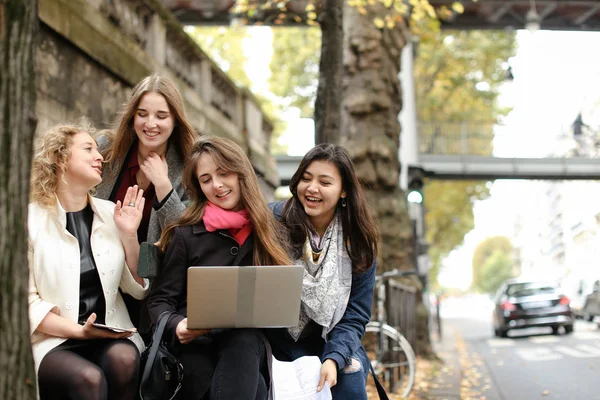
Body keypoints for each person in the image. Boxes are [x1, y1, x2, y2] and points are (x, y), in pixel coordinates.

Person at [147, 136, 292, 400]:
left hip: (247, 345)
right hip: (194, 347)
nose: (217, 185)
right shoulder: (185, 233)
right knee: (253, 388)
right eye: (206, 180)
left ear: (241, 173)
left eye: (224, 173)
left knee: (245, 341)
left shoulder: (268, 231)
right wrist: (177, 325)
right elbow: (160, 300)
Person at [28, 122, 149, 400]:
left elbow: (139, 288)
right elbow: (28, 303)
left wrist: (129, 235)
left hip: (111, 334)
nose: (100, 156)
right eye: (88, 149)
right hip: (54, 340)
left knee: (125, 360)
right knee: (88, 379)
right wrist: (81, 332)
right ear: (60, 159)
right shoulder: (29, 219)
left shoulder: (111, 213)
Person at [267, 144, 379, 399]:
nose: (312, 188)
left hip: (331, 340)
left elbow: (355, 315)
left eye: (324, 182)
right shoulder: (273, 221)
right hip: (276, 339)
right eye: (306, 179)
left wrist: (334, 358)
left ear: (343, 192)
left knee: (348, 383)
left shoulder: (359, 241)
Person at [95, 74, 198, 332]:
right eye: (142, 114)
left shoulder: (189, 166)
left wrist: (163, 186)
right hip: (98, 276)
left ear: (175, 121)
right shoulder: (106, 150)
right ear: (132, 117)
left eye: (161, 116)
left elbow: (186, 235)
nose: (150, 124)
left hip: (151, 285)